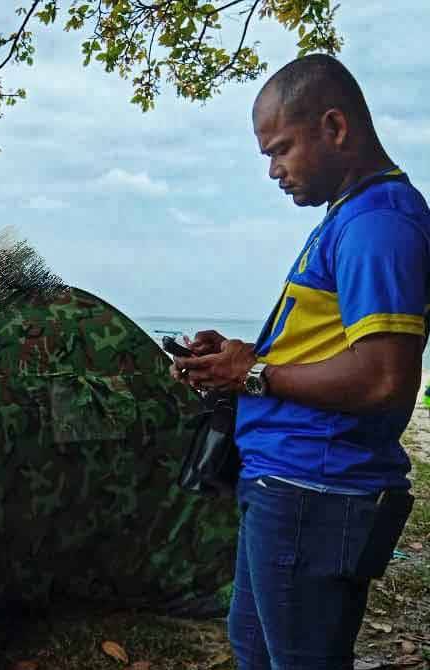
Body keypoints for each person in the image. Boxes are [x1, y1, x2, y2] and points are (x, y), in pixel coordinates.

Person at [171, 54, 425, 669]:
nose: (273, 171)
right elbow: (327, 348)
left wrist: (253, 375)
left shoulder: (379, 225)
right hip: (287, 484)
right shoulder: (351, 217)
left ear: (334, 128)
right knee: (255, 650)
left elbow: (385, 379)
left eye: (280, 150)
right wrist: (242, 356)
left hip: (317, 491)